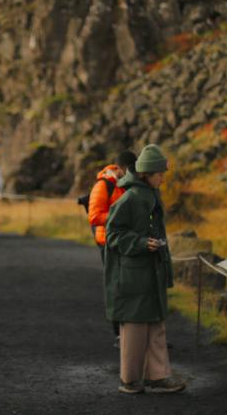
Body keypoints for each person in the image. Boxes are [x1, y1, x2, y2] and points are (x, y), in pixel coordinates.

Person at [104, 144, 186, 395]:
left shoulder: (150, 194)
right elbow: (113, 235)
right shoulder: (129, 198)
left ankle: (158, 377)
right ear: (146, 173)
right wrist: (140, 243)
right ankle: (130, 380)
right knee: (135, 327)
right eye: (159, 173)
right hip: (133, 274)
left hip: (151, 270)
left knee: (156, 324)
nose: (162, 177)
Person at [89, 150, 138, 343]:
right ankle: (118, 332)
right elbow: (94, 216)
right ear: (119, 168)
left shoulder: (129, 184)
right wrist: (120, 219)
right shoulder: (103, 185)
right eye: (127, 169)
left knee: (127, 284)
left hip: (126, 242)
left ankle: (129, 329)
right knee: (115, 286)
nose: (129, 173)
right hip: (108, 243)